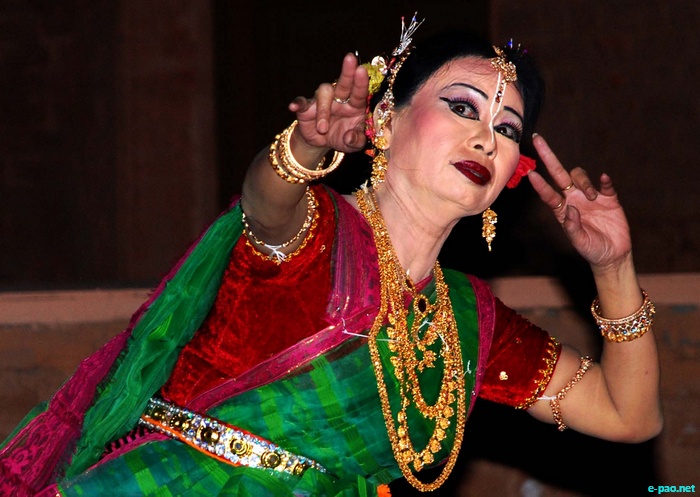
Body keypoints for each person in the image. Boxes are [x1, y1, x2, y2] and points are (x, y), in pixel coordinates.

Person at [0, 14, 662, 497]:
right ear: (386, 119)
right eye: (462, 107)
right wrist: (304, 149)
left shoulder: (468, 323)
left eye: (507, 127)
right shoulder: (317, 229)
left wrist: (612, 266)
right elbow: (266, 203)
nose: (485, 138)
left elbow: (628, 415)